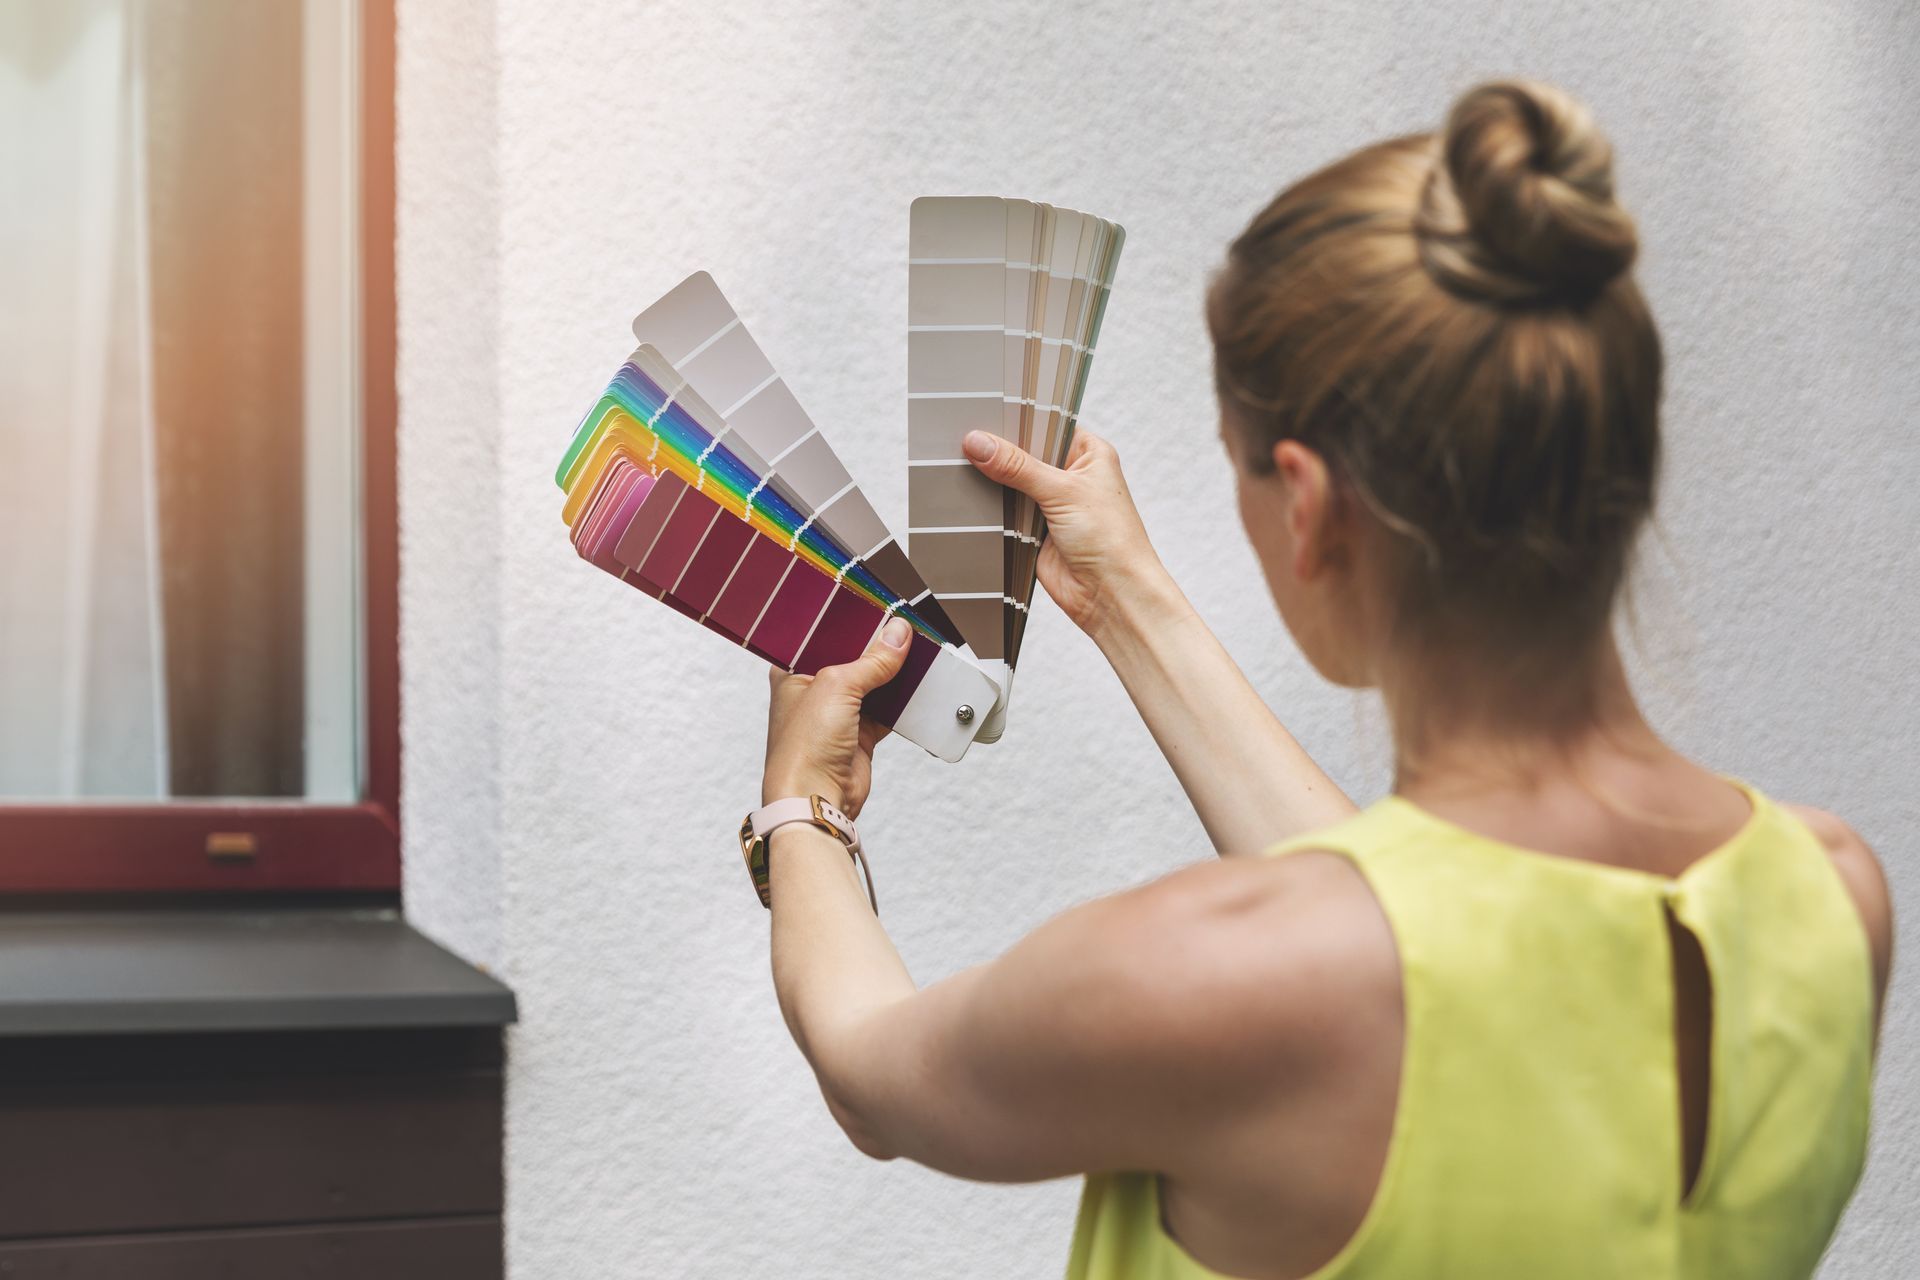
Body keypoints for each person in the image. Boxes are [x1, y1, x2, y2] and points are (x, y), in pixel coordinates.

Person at [753, 79, 1893, 1279]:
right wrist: (1126, 597)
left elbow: (872, 1070)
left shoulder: (1212, 975)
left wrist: (801, 805)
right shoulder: (1830, 896)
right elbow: (1444, 952)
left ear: (1305, 502)